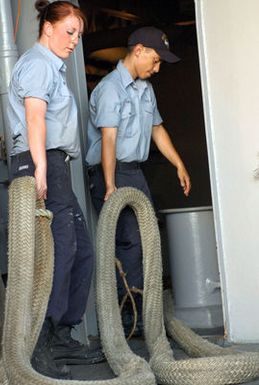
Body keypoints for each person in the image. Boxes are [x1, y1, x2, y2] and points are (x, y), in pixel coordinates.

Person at [7, 0, 103, 380]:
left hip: (54, 164)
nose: (74, 40)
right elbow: (34, 116)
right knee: (58, 252)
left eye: (79, 34)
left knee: (80, 249)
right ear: (47, 27)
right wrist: (42, 169)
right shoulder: (36, 64)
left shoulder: (52, 67)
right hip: (39, 161)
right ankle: (43, 342)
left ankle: (61, 334)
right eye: (69, 31)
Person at [86, 26, 191, 336]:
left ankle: (148, 312)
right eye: (155, 61)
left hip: (134, 171)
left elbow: (157, 129)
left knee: (146, 238)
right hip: (111, 170)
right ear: (139, 51)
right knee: (128, 242)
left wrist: (179, 164)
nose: (156, 69)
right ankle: (129, 318)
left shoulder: (145, 89)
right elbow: (108, 139)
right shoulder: (110, 89)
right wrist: (109, 185)